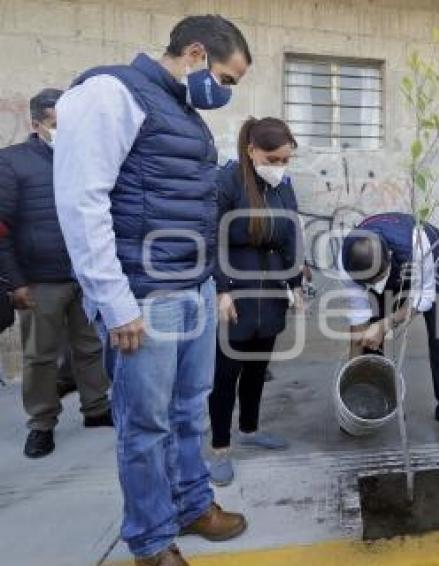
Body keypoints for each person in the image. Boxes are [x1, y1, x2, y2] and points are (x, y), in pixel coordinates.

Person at [54, 15, 252, 566]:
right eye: (227, 79)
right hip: (144, 296)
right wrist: (115, 303)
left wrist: (212, 282)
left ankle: (192, 504)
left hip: (192, 290)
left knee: (192, 411)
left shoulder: (184, 115)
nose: (226, 93)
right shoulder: (111, 93)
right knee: (146, 426)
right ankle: (150, 539)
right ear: (194, 54)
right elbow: (81, 203)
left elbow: (193, 209)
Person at [0, 88, 112, 459]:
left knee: (90, 347)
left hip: (85, 273)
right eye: (56, 125)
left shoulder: (85, 159)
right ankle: (42, 423)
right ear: (36, 125)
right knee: (41, 356)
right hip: (38, 280)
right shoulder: (12, 163)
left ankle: (96, 408)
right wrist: (15, 282)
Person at [208, 117, 303, 486]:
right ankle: (219, 446)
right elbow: (209, 237)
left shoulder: (283, 187)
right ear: (251, 151)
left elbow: (291, 234)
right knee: (226, 374)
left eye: (286, 161)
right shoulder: (227, 182)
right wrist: (221, 289)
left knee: (257, 368)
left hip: (271, 289)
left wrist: (295, 283)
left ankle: (249, 427)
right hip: (237, 287)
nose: (280, 168)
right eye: (273, 159)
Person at [339, 212, 439, 454]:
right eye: (369, 283)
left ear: (389, 257)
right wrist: (351, 375)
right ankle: (374, 399)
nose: (376, 287)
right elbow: (358, 319)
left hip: (432, 264)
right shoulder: (346, 263)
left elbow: (425, 297)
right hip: (389, 268)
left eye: (379, 279)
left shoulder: (418, 247)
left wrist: (386, 324)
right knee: (370, 339)